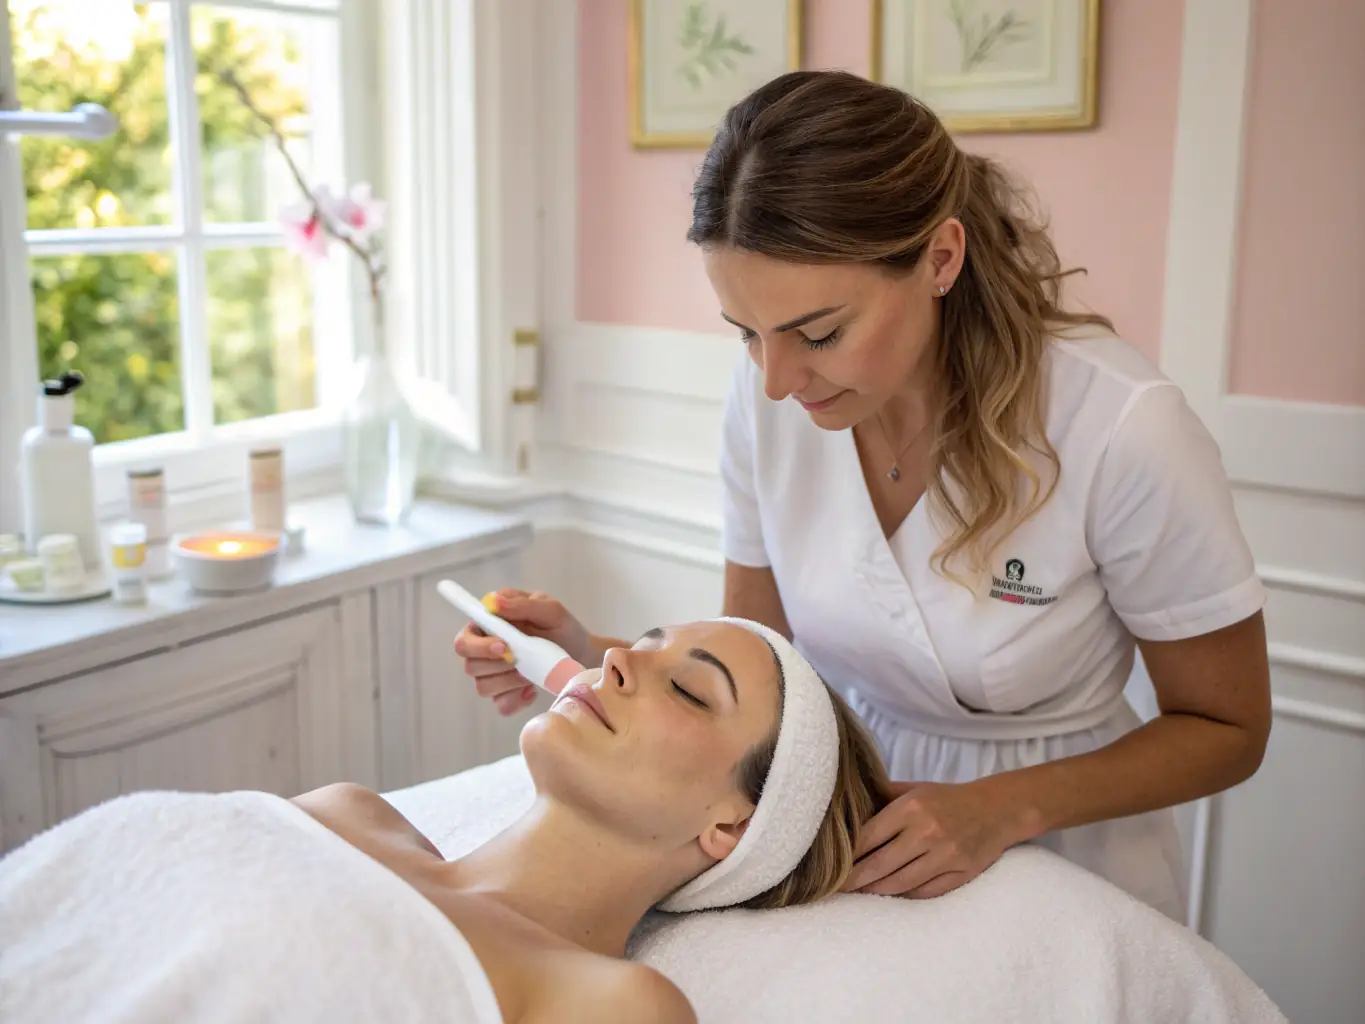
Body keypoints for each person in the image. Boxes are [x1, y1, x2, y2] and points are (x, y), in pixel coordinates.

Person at [455, 69, 1273, 923]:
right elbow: (760, 660)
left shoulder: (1118, 426)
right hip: (846, 831)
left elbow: (1227, 729)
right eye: (747, 335)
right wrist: (588, 660)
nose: (776, 381)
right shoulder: (767, 401)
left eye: (818, 333)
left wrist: (1001, 806)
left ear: (940, 259)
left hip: (1068, 848)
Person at [1, 618, 891, 1024]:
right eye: (642, 644)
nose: (617, 659)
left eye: (688, 689)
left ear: (728, 829)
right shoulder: (348, 813)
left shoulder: (612, 1006)